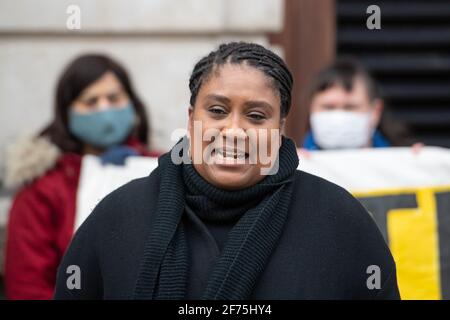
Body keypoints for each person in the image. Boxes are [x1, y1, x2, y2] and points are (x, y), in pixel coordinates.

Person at [54, 42, 400, 299]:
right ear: (191, 119)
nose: (234, 130)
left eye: (256, 115)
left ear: (280, 127)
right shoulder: (118, 217)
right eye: (217, 111)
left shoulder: (339, 220)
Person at [4, 54, 158, 299]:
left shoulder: (161, 168)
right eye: (90, 101)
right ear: (67, 113)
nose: (104, 109)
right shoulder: (42, 190)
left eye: (114, 98)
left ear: (132, 103)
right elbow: (28, 285)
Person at [302, 57, 420, 151]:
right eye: (328, 107)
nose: (339, 116)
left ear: (375, 112)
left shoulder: (401, 163)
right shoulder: (295, 166)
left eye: (350, 107)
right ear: (311, 108)